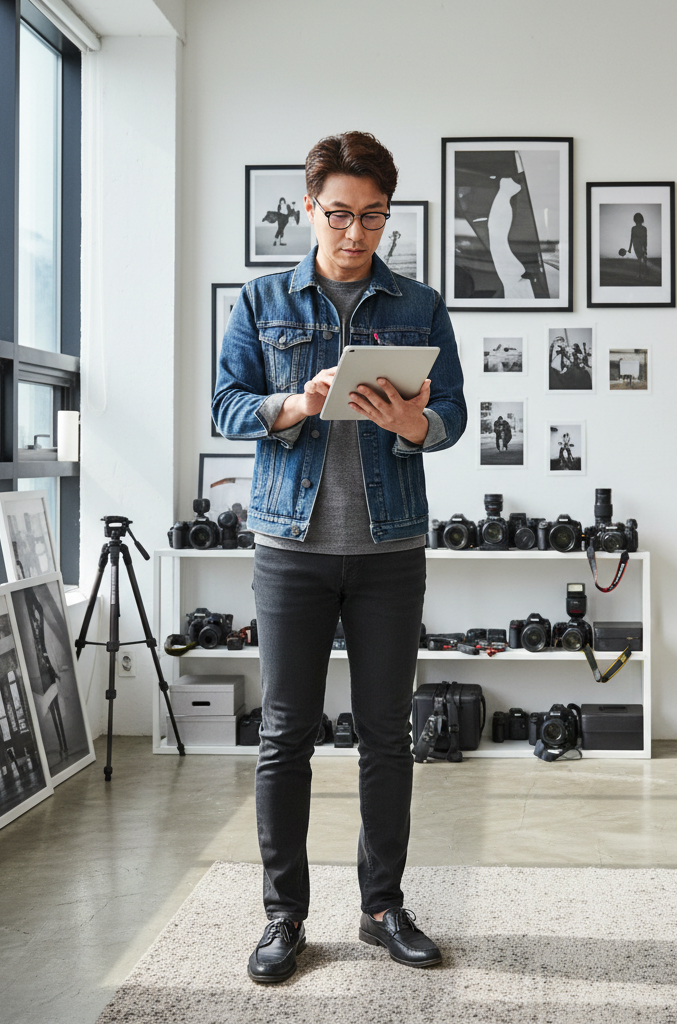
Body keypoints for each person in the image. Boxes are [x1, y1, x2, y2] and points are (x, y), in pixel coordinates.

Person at [213, 131, 466, 984]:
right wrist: (294, 403)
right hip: (291, 547)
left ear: (387, 216)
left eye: (372, 217)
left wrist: (413, 425)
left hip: (391, 548)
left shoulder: (421, 305)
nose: (355, 234)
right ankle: (284, 916)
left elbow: (455, 413)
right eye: (338, 215)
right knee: (285, 733)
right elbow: (227, 405)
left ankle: (382, 907)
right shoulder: (262, 300)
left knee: (387, 735)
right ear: (311, 207)